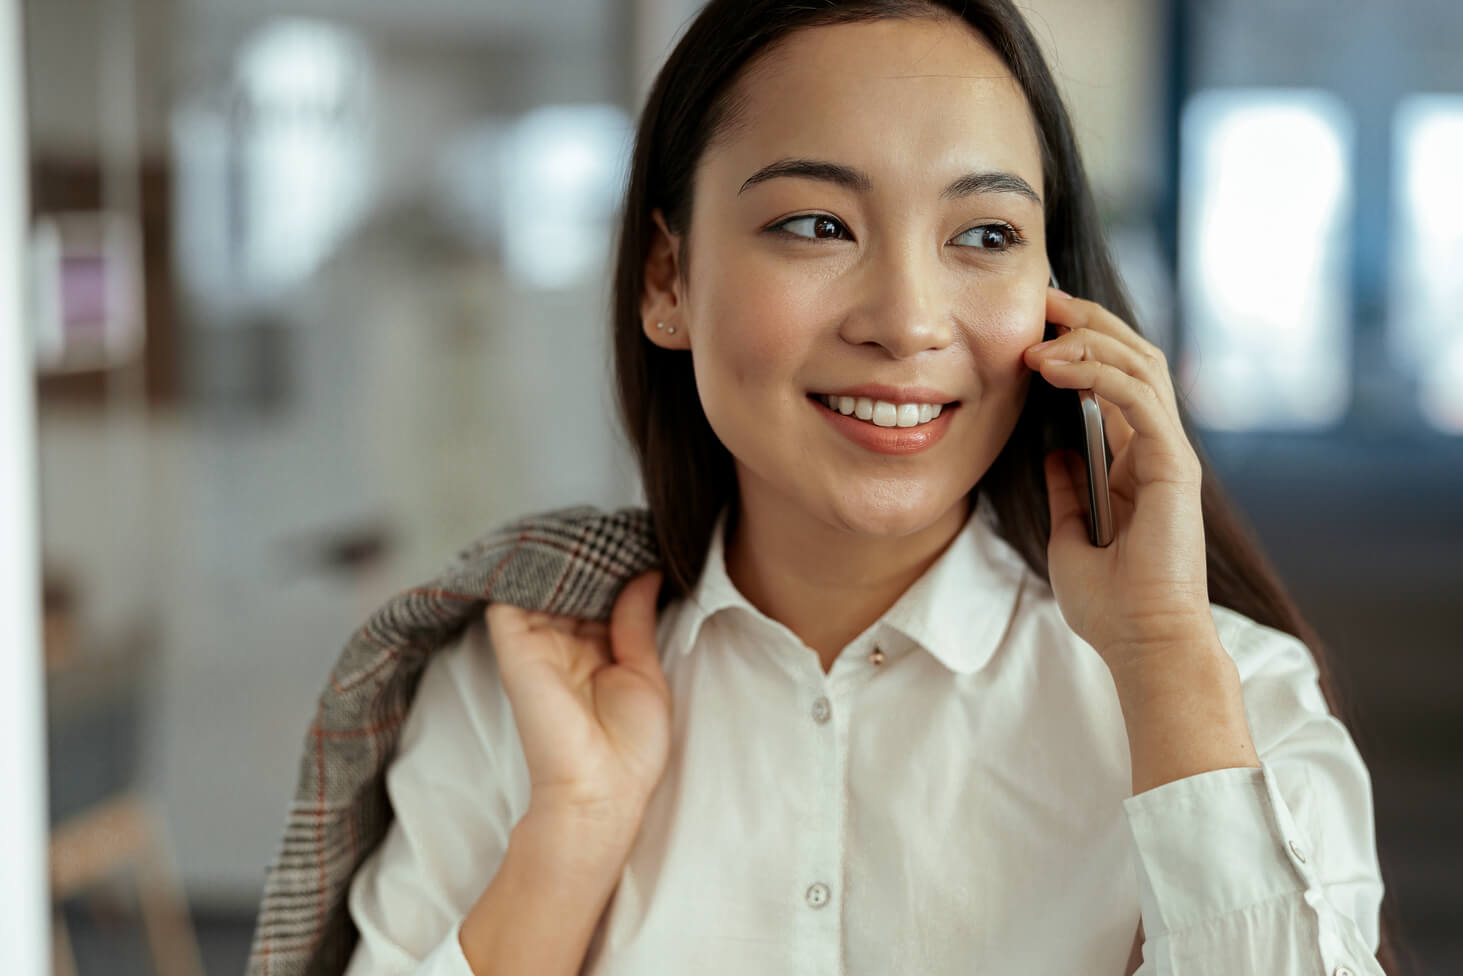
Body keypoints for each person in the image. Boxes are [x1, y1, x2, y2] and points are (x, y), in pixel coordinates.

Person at [326, 1, 1398, 973]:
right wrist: (569, 834)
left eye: (983, 235)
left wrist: (1164, 660)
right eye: (815, 224)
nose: (907, 318)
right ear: (668, 277)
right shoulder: (515, 688)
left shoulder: (1227, 697)